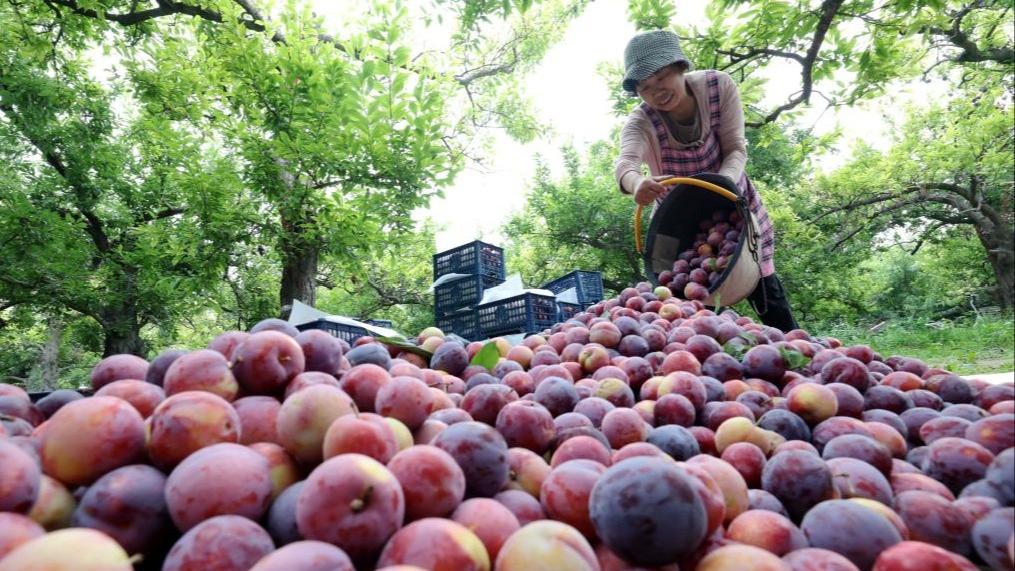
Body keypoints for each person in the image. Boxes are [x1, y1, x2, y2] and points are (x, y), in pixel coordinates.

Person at [614, 29, 799, 332]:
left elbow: (737, 149)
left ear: (680, 67)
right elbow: (626, 163)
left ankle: (795, 351)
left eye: (662, 77)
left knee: (767, 295)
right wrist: (636, 184)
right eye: (645, 87)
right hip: (683, 228)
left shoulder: (717, 87)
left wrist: (722, 187)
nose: (656, 91)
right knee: (692, 309)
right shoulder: (641, 122)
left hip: (735, 207)